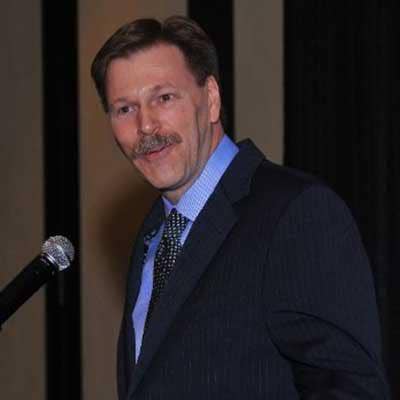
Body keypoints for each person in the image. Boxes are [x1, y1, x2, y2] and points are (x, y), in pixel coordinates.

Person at [91, 16, 389, 400]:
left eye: (164, 98)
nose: (145, 125)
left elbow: (352, 389)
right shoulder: (152, 240)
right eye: (124, 109)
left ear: (211, 99)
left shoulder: (294, 213)